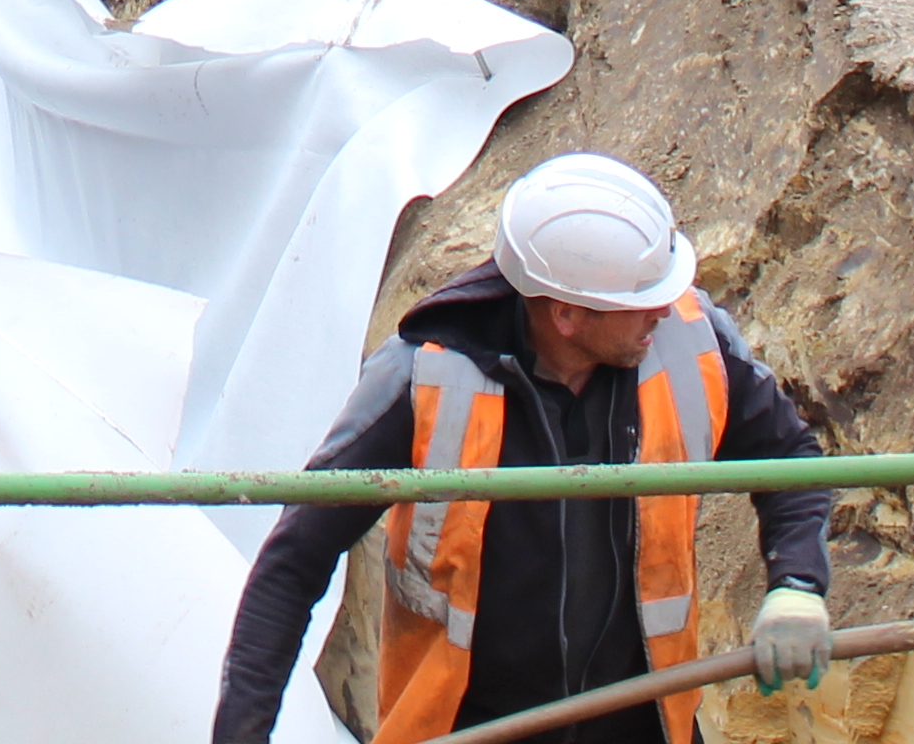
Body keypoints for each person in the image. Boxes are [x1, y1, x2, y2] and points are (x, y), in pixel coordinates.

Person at [210, 154, 832, 744]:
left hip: (640, 728)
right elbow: (293, 565)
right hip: (470, 729)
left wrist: (798, 583)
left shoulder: (689, 343)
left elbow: (791, 463)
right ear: (566, 314)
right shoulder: (424, 380)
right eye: (641, 301)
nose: (664, 310)